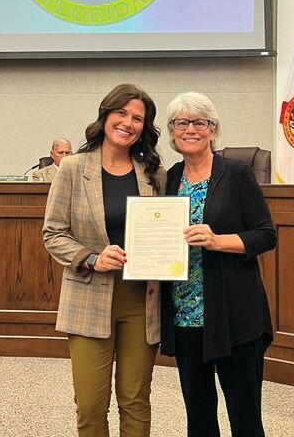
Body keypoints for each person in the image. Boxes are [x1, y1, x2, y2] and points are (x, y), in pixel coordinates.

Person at [42, 84, 166, 437]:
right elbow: (53, 233)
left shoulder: (154, 173)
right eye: (122, 113)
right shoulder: (73, 168)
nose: (128, 123)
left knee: (136, 400)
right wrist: (92, 258)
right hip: (88, 297)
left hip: (141, 300)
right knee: (92, 405)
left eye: (138, 118)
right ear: (106, 115)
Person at [160, 92, 277, 437]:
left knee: (244, 418)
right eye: (182, 122)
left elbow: (266, 235)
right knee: (198, 417)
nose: (191, 129)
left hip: (234, 315)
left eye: (200, 122)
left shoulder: (237, 175)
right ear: (172, 131)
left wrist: (217, 241)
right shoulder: (170, 177)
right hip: (185, 314)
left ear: (213, 130)